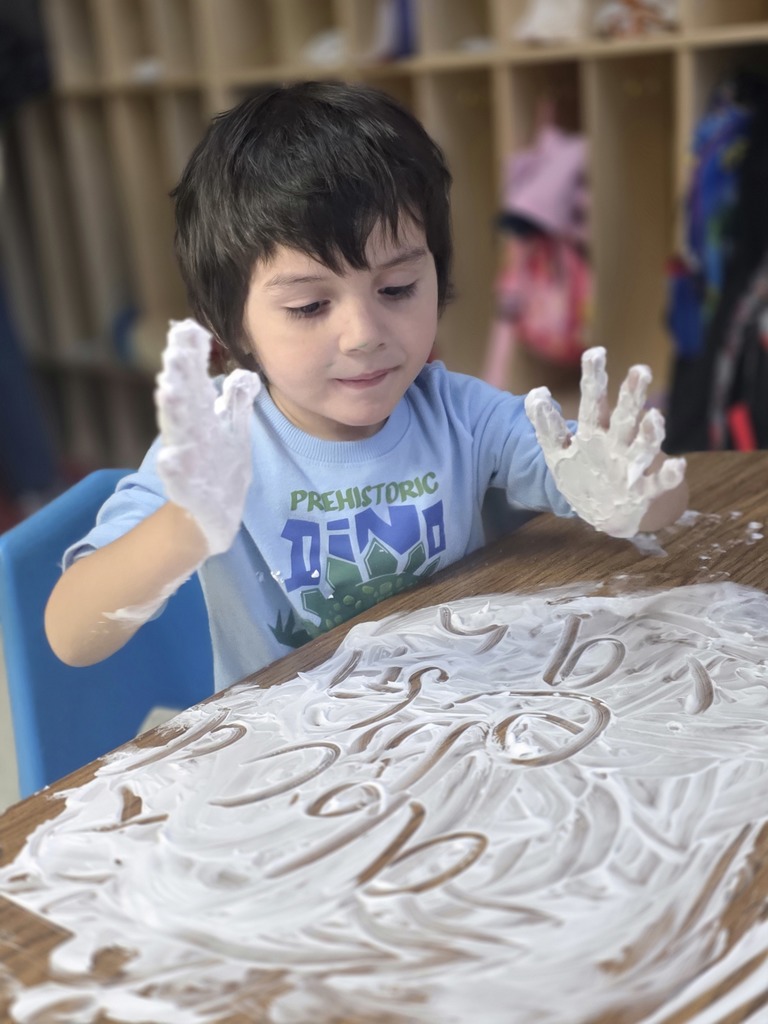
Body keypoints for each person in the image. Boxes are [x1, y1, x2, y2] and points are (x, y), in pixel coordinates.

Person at [44, 81, 688, 693]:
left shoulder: (461, 415)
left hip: (466, 717)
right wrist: (184, 529)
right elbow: (71, 637)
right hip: (298, 754)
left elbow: (664, 503)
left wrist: (630, 487)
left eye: (397, 289)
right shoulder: (216, 448)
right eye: (308, 307)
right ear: (231, 325)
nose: (363, 334)